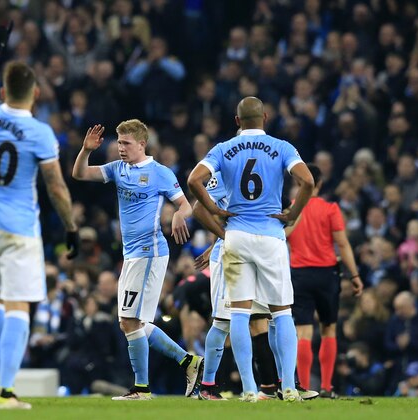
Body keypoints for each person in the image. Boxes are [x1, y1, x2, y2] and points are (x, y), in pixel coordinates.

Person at [0, 23, 79, 410]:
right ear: (34, 94)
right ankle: (8, 392)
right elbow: (56, 188)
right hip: (19, 227)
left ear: (2, 92)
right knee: (18, 303)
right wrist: (70, 226)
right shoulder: (39, 132)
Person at [188, 96, 315, 402]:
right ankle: (288, 388)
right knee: (282, 312)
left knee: (240, 315)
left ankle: (248, 389)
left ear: (237, 121)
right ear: (266, 117)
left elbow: (194, 180)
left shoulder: (223, 149)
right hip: (271, 235)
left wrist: (217, 214)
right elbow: (307, 181)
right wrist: (293, 213)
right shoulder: (282, 147)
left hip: (236, 237)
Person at [72, 121, 202, 401]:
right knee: (133, 322)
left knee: (130, 321)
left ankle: (142, 389)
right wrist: (85, 150)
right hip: (131, 255)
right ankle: (188, 362)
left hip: (150, 251)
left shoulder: (159, 173)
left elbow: (186, 204)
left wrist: (180, 214)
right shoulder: (118, 170)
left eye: (126, 143)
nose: (121, 148)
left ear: (142, 144)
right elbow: (79, 173)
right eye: (119, 143)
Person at [284, 163, 364, 398]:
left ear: (299, 182)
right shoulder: (330, 209)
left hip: (299, 274)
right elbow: (343, 244)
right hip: (327, 274)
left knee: (303, 333)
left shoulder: (291, 210)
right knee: (329, 329)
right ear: (319, 182)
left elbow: (282, 239)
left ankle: (305, 388)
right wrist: (355, 275)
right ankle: (327, 388)